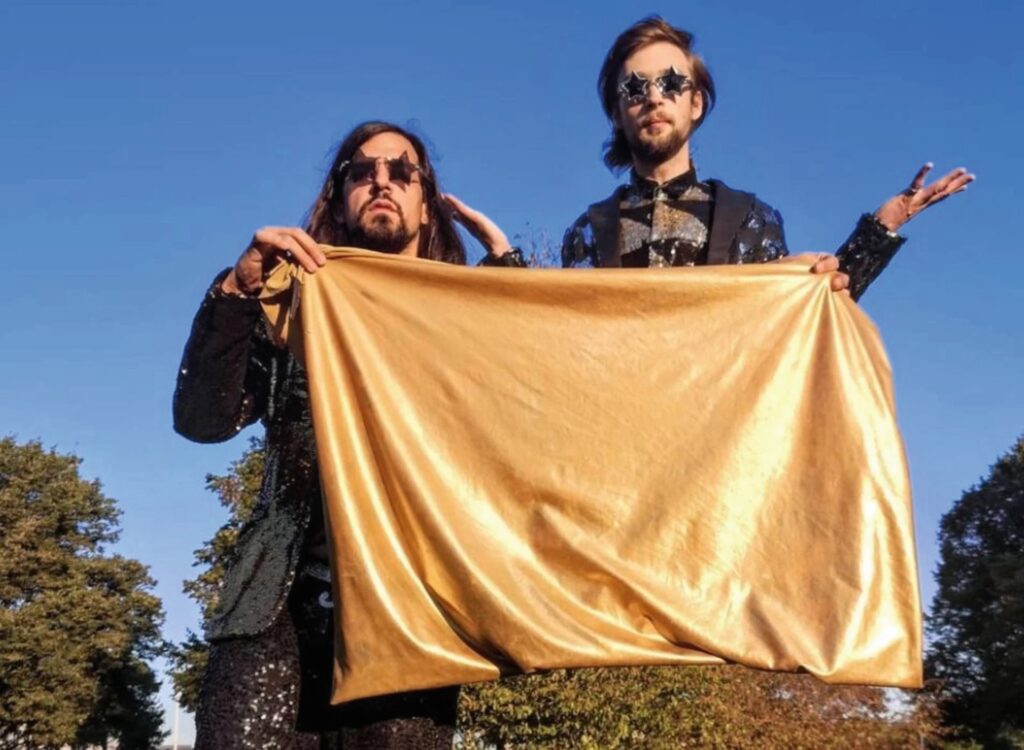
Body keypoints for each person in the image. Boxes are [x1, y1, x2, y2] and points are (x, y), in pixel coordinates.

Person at [174, 121, 485, 749]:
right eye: (361, 171)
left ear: (427, 204)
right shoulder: (291, 303)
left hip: (411, 620)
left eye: (402, 172)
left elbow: (530, 431)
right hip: (271, 609)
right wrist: (238, 290)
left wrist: (509, 274)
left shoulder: (469, 321)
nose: (382, 182)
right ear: (338, 198)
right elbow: (202, 420)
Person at [450, 16, 973, 298]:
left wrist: (877, 234)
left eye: (670, 83)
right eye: (634, 88)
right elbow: (558, 335)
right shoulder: (588, 231)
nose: (653, 98)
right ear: (617, 112)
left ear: (695, 102)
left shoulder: (750, 218)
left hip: (721, 451)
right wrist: (505, 261)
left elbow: (802, 322)